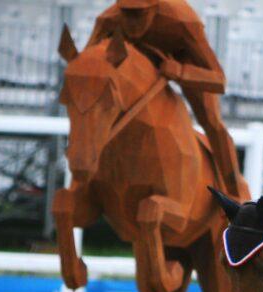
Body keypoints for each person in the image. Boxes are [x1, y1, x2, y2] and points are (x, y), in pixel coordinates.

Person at [87, 0, 248, 200]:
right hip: (135, 67)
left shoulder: (183, 20)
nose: (131, 22)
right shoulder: (108, 20)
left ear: (155, 8)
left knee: (211, 121)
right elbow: (85, 67)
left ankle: (235, 191)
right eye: (127, 13)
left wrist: (180, 72)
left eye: (139, 14)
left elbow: (218, 80)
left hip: (184, 63)